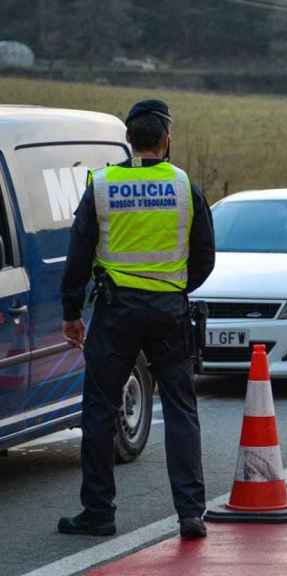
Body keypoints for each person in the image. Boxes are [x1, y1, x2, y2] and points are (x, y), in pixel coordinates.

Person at [58, 100, 216, 539]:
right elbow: (205, 256)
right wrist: (176, 286)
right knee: (182, 409)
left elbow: (79, 255)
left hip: (116, 312)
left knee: (100, 410)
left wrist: (72, 312)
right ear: (166, 139)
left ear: (130, 140)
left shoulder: (102, 186)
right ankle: (190, 514)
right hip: (169, 310)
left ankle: (98, 513)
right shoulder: (185, 186)